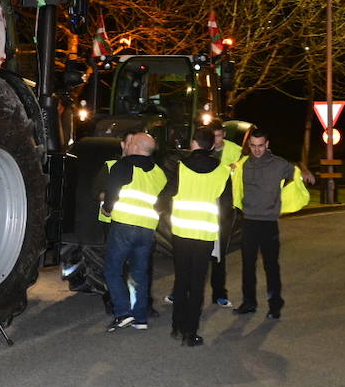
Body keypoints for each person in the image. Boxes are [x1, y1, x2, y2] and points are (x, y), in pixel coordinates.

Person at [232, 127, 314, 319]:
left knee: (271, 266)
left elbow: (294, 169)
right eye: (253, 145)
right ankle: (249, 302)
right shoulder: (243, 164)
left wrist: (304, 170)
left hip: (268, 223)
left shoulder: (278, 164)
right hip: (249, 222)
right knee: (248, 266)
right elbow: (232, 175)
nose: (257, 150)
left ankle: (275, 304)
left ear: (267, 145)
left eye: (260, 146)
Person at [167, 127, 233, 347]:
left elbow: (167, 195)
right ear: (212, 145)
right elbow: (226, 207)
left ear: (193, 143)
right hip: (205, 234)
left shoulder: (180, 167)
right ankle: (191, 332)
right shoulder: (223, 171)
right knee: (197, 284)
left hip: (181, 232)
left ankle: (177, 325)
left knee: (181, 279)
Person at [100, 130, 165, 331]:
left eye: (130, 144)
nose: (126, 146)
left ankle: (123, 313)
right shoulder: (159, 173)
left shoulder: (123, 166)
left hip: (124, 227)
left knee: (112, 270)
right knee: (139, 274)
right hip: (147, 230)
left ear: (135, 147)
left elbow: (111, 193)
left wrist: (106, 209)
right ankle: (140, 318)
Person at [207, 122, 242, 307]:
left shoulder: (236, 151)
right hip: (204, 206)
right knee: (196, 251)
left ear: (225, 134)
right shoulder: (203, 149)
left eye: (219, 136)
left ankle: (219, 293)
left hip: (225, 207)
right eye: (213, 136)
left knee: (219, 253)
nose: (216, 140)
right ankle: (180, 291)